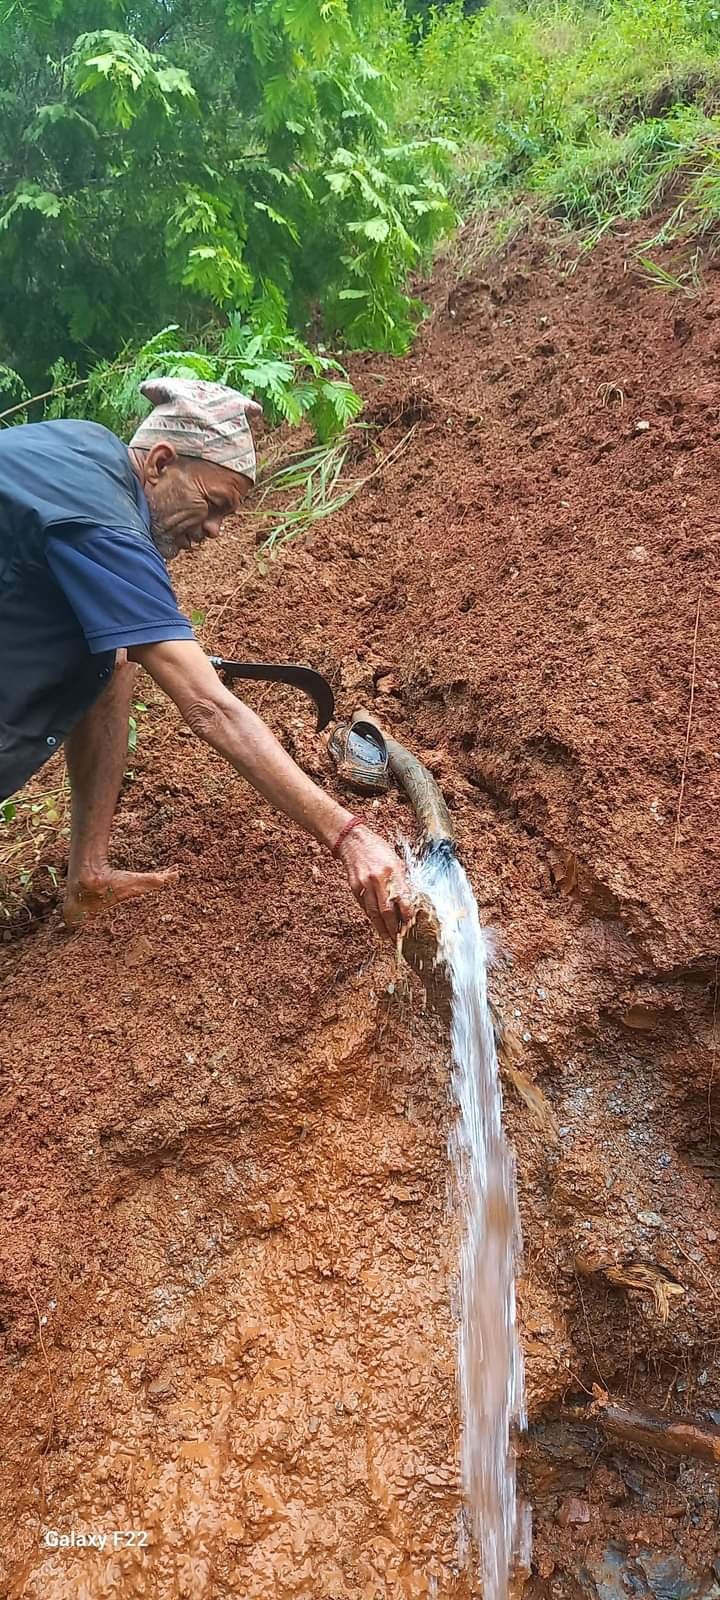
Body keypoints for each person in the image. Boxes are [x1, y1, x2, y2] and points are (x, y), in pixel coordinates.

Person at [0, 377, 412, 941]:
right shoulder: (106, 521)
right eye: (213, 504)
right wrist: (349, 837)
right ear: (162, 462)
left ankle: (88, 878)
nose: (214, 531)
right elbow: (211, 710)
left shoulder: (87, 448)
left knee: (115, 657)